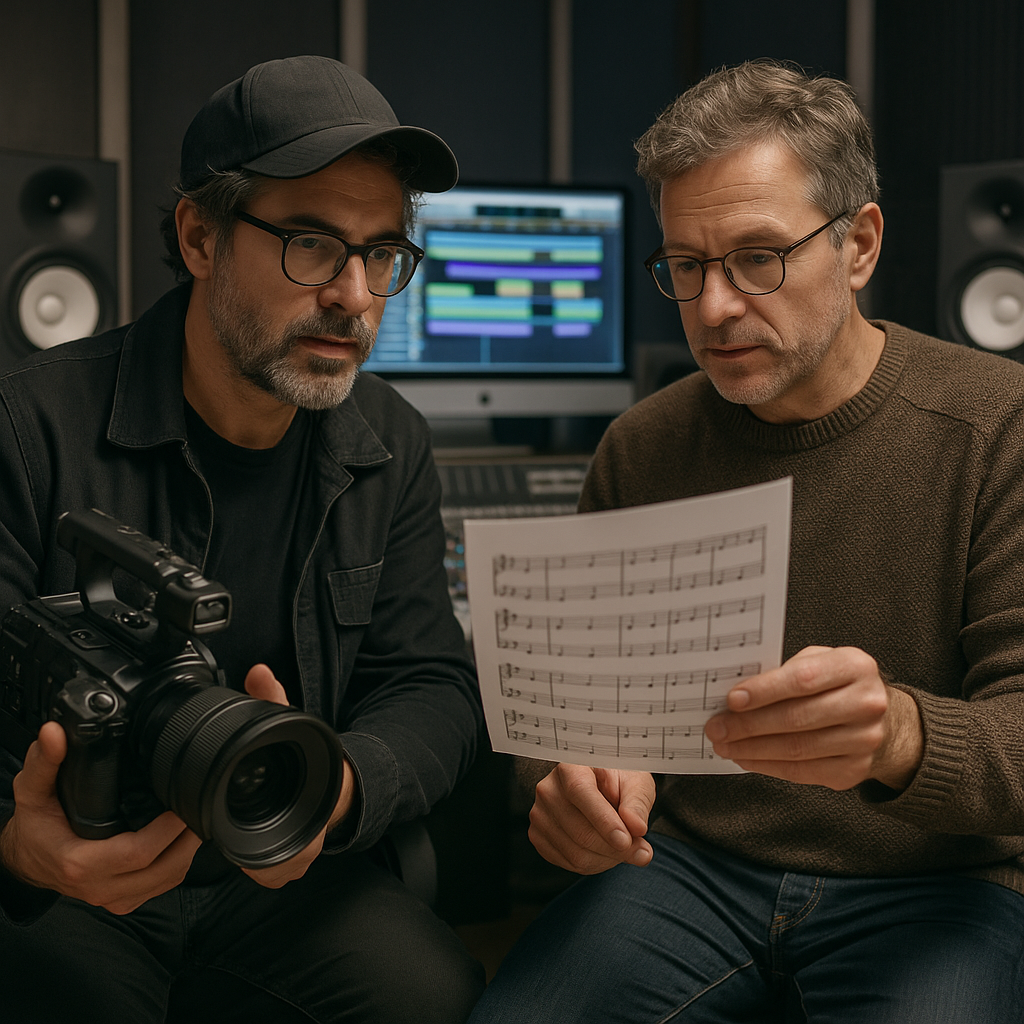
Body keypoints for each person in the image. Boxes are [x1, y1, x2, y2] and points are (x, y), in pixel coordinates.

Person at [468, 60, 1024, 1024]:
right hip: (687, 870)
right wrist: (565, 788)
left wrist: (900, 735)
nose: (714, 307)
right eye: (686, 265)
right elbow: (575, 718)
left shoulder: (999, 427)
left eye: (757, 258)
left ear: (859, 245)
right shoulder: (642, 447)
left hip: (941, 880)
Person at [0, 55, 485, 1023]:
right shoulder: (30, 427)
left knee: (437, 995)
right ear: (199, 236)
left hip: (278, 876)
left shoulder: (390, 442)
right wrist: (17, 843)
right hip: (70, 878)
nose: (354, 294)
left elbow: (430, 682)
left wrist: (343, 790)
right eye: (311, 244)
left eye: (381, 253)